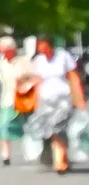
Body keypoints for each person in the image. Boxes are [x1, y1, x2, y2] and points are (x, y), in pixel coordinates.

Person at [24, 37, 85, 175]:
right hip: (46, 100)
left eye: (43, 46)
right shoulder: (39, 61)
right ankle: (61, 157)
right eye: (39, 47)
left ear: (49, 45)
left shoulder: (63, 56)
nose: (41, 49)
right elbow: (38, 82)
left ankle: (60, 162)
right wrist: (36, 102)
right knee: (52, 130)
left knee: (57, 128)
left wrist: (79, 99)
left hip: (63, 99)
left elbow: (73, 77)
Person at [0, 36, 28, 166]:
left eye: (4, 50)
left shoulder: (22, 61)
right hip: (7, 99)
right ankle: (5, 154)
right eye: (1, 50)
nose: (2, 53)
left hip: (25, 100)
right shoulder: (1, 62)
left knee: (30, 127)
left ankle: (41, 151)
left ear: (12, 50)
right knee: (5, 126)